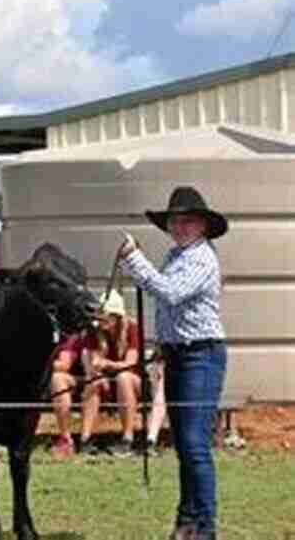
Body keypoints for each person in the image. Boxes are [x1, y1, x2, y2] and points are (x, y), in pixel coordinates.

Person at [118, 186, 229, 540]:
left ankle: (204, 527)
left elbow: (169, 292)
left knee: (195, 445)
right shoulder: (175, 256)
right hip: (182, 354)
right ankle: (188, 520)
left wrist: (136, 261)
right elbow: (168, 302)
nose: (180, 227)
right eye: (175, 221)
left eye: (188, 221)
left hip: (201, 355)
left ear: (202, 226)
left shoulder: (200, 258)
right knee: (185, 443)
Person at [75, 290, 143, 457]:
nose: (101, 320)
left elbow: (131, 362)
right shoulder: (95, 331)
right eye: (100, 316)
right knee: (95, 382)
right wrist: (101, 370)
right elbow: (95, 361)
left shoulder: (132, 328)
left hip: (132, 381)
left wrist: (108, 365)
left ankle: (127, 439)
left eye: (105, 316)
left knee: (123, 378)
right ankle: (85, 439)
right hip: (106, 380)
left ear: (117, 316)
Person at [47, 332, 86, 458]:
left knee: (57, 379)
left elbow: (64, 365)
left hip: (82, 380)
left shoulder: (69, 337)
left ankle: (66, 439)